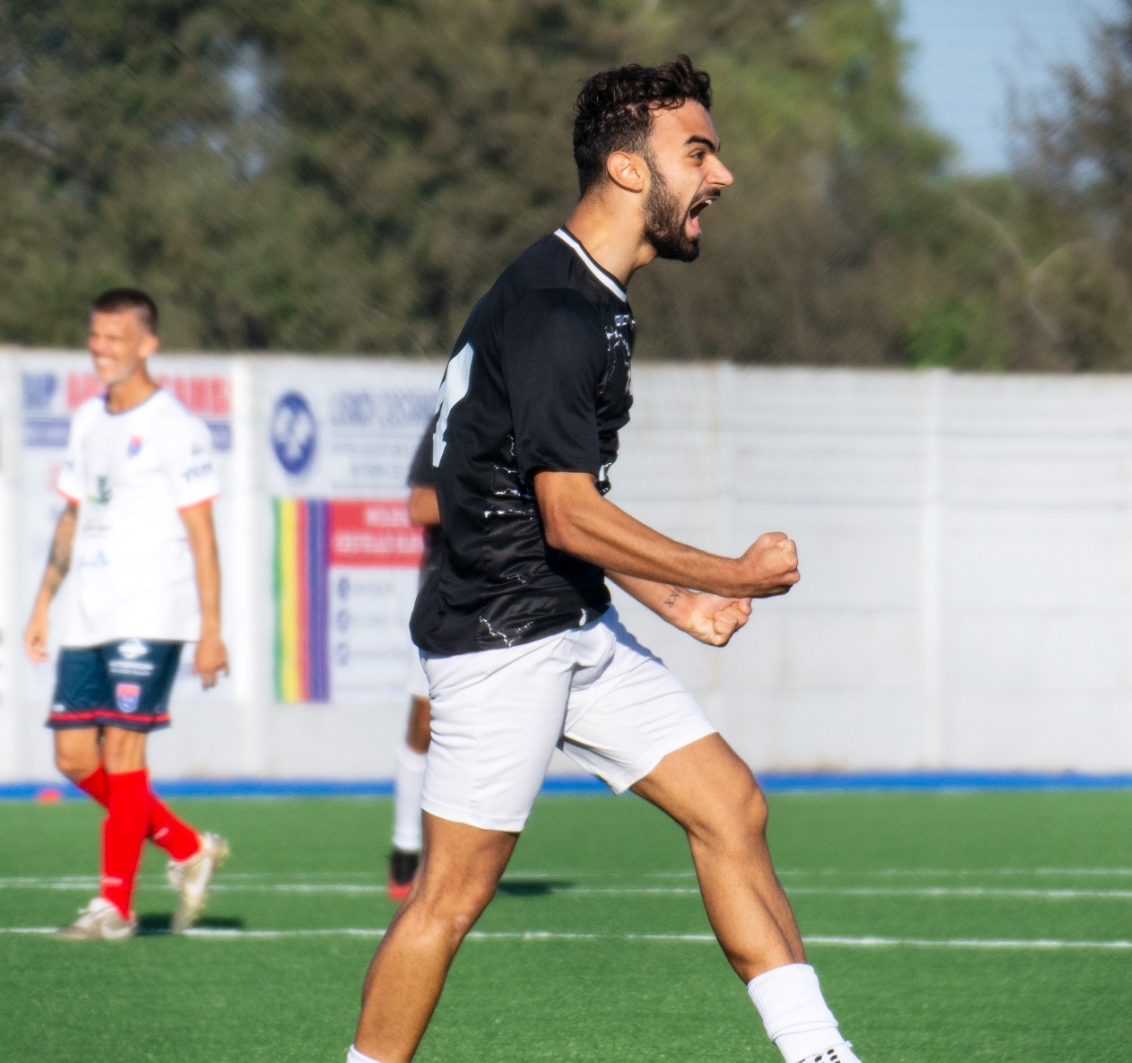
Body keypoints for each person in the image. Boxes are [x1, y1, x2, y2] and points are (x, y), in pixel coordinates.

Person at [348, 56, 863, 1063]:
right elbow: (568, 513)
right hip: (501, 637)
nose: (720, 176)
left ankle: (819, 1054)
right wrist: (729, 573)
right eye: (697, 152)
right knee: (449, 897)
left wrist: (672, 600)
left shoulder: (587, 295)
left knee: (730, 806)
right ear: (629, 171)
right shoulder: (557, 308)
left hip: (566, 617)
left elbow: (565, 509)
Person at [23, 287, 230, 942]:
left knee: (124, 749)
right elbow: (72, 514)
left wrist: (211, 629)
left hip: (151, 610)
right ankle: (186, 846)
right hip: (89, 612)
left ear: (147, 344)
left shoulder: (178, 427)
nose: (100, 348)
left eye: (114, 337)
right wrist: (42, 603)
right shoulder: (88, 420)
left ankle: (115, 905)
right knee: (74, 756)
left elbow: (203, 534)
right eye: (95, 336)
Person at [388, 422, 440, 899]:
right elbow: (421, 504)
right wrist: (507, 506)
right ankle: (405, 850)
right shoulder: (454, 414)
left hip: (521, 602)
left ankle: (453, 859)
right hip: (449, 596)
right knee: (424, 720)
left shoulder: (546, 419)